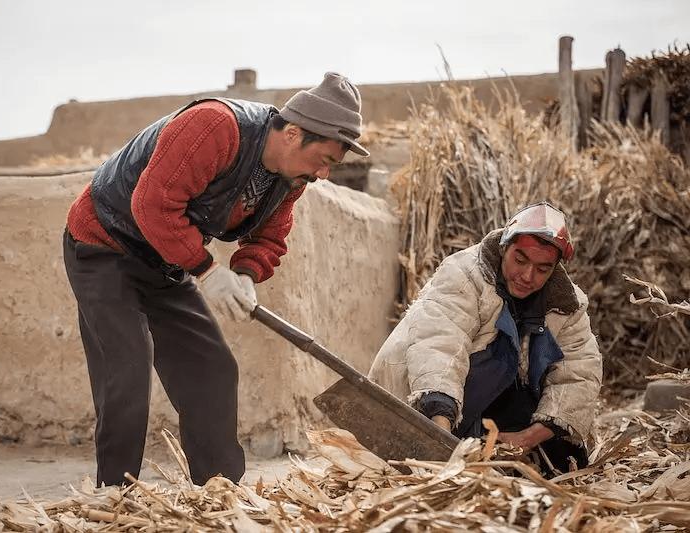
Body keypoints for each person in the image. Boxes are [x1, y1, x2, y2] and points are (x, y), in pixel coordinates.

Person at [62, 72, 369, 487]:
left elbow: (270, 237)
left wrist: (244, 274)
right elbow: (152, 205)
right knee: (128, 364)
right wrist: (207, 271)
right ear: (294, 134)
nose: (325, 174)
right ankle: (116, 493)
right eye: (326, 160)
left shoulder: (292, 179)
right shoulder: (215, 126)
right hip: (103, 244)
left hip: (163, 260)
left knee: (213, 368)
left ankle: (218, 491)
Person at [369, 202, 602, 473]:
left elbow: (579, 375)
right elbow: (439, 347)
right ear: (505, 247)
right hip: (425, 400)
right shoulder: (463, 275)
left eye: (542, 269)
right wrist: (439, 439)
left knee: (564, 458)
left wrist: (526, 440)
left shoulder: (568, 305)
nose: (528, 276)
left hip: (490, 402)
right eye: (520, 260)